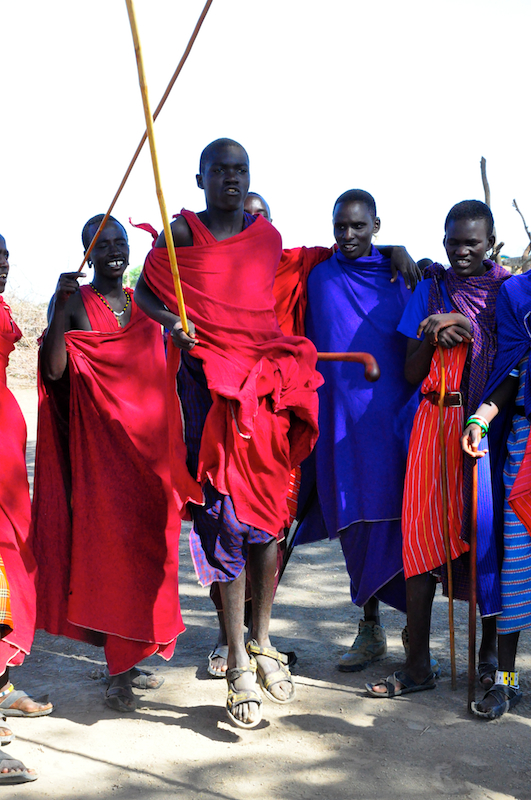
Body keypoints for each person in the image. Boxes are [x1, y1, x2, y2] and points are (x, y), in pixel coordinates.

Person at [134, 138, 323, 729]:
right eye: (221, 171)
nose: (232, 179)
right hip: (207, 389)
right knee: (228, 519)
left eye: (240, 170)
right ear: (201, 178)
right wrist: (172, 326)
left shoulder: (265, 238)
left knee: (268, 518)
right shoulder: (182, 236)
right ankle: (236, 657)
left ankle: (263, 642)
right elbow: (144, 294)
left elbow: (270, 301)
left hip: (262, 386)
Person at [32, 215, 183, 713]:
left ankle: (133, 655)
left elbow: (170, 353)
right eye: (105, 244)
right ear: (88, 253)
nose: (116, 251)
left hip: (150, 454)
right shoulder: (75, 303)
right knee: (112, 554)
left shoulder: (144, 301)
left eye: (122, 243)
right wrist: (58, 307)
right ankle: (118, 671)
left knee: (149, 551)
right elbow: (54, 370)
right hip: (100, 456)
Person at [367, 199, 509, 698]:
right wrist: (431, 331)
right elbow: (409, 372)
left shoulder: (504, 292)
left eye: (472, 242)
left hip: (483, 427)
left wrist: (471, 329)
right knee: (422, 536)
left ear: (490, 243)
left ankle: (490, 662)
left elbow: (509, 363)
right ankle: (418, 664)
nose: (461, 250)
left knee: (488, 538)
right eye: (453, 241)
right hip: (433, 419)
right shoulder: (430, 288)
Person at [294, 189, 419, 671]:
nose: (347, 236)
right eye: (340, 227)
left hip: (392, 418)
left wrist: (398, 253)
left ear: (377, 226)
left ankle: (414, 632)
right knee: (355, 519)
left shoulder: (400, 275)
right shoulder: (320, 277)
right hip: (339, 419)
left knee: (400, 516)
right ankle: (370, 631)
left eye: (358, 227)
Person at [462, 267, 531, 718]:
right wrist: (481, 418)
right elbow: (512, 368)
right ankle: (506, 681)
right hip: (524, 445)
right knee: (516, 564)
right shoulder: (517, 293)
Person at [0, 234, 45, 783]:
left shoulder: (5, 304)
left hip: (9, 449)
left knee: (9, 568)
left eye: (6, 255)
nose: (3, 265)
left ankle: (3, 686)